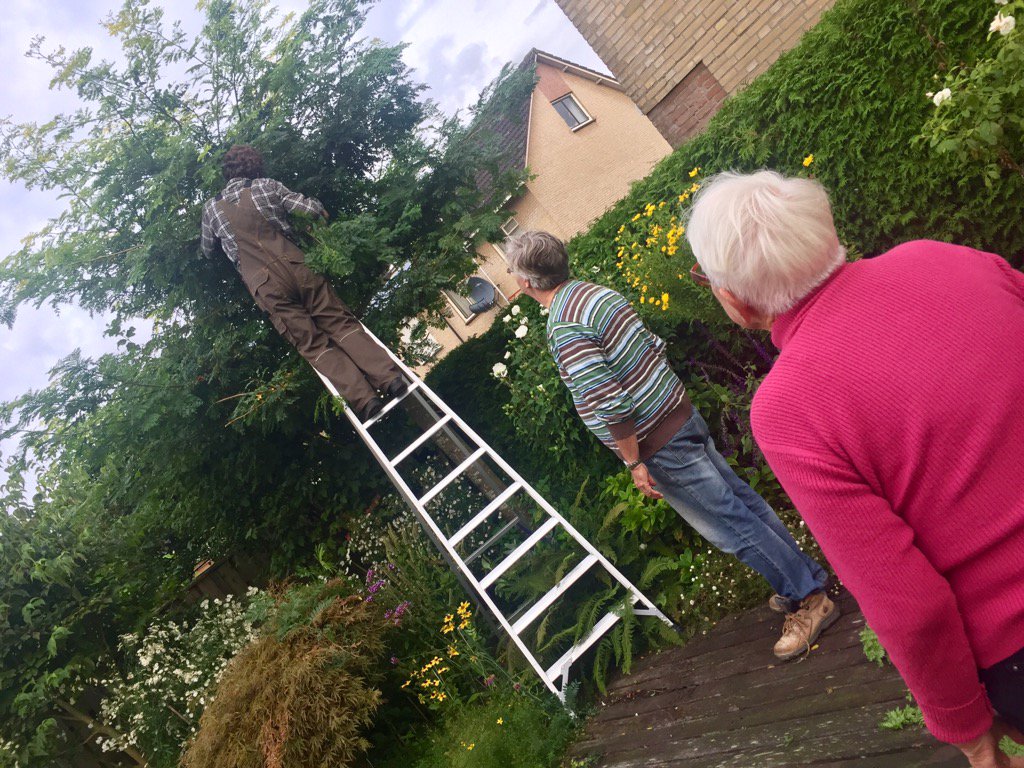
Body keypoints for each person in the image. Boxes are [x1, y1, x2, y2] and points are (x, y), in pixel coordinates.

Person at [685, 169, 1024, 767]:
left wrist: (969, 733)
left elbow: (908, 603)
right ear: (826, 230)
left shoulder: (788, 408)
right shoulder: (941, 258)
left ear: (735, 299)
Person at [503, 230, 835, 660]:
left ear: (526, 280)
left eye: (511, 269)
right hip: (680, 413)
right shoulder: (595, 293)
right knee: (742, 502)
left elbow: (607, 400)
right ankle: (799, 579)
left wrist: (633, 461)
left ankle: (811, 599)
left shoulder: (564, 325)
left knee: (731, 527)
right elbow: (649, 347)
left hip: (660, 441)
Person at [200, 145, 404, 420]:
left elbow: (208, 250)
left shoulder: (211, 209)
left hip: (264, 285)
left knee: (313, 344)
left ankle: (365, 401)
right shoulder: (267, 186)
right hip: (298, 267)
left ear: (227, 173)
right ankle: (390, 379)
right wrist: (318, 209)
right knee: (339, 323)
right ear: (255, 166)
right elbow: (310, 211)